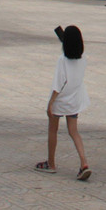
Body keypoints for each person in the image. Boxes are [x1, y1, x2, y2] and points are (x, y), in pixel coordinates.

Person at [36, 25, 91, 180]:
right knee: (74, 131)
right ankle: (84, 163)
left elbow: (58, 83)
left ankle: (51, 163)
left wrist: (50, 103)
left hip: (60, 100)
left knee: (53, 130)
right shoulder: (83, 57)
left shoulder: (62, 60)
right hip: (74, 99)